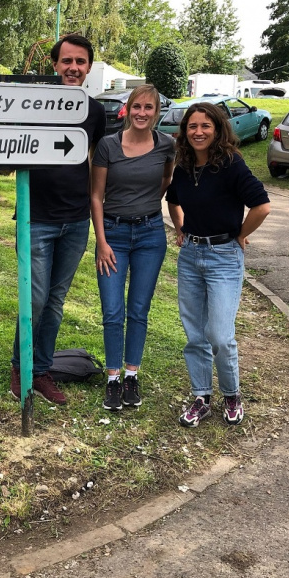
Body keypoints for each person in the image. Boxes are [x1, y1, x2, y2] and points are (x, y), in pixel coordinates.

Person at [10, 34, 106, 406]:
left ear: (88, 68)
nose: (73, 68)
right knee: (33, 299)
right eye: (66, 61)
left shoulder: (95, 112)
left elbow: (96, 160)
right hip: (35, 218)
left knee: (55, 301)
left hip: (75, 220)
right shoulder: (33, 105)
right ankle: (21, 367)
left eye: (80, 62)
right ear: (54, 65)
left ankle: (43, 370)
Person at [166, 102, 270, 428]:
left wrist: (241, 234)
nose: (198, 132)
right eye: (192, 126)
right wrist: (180, 229)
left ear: (217, 129)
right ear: (185, 132)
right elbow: (173, 200)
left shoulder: (231, 164)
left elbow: (262, 206)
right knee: (195, 334)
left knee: (220, 335)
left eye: (205, 126)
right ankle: (202, 397)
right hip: (190, 257)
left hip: (224, 257)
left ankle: (232, 394)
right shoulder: (184, 166)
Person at [91, 85, 174, 411]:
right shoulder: (109, 146)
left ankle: (131, 375)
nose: (142, 113)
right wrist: (101, 242)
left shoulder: (166, 145)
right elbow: (96, 196)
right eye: (136, 107)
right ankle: (112, 378)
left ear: (156, 112)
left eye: (148, 109)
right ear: (128, 109)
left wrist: (148, 203)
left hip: (151, 235)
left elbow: (166, 181)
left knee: (139, 310)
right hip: (113, 234)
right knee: (112, 311)